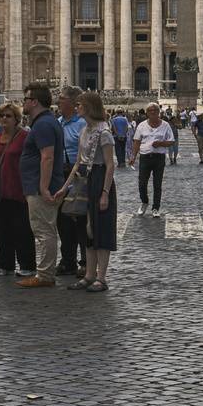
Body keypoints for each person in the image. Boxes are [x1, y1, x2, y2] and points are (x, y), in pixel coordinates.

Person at [70, 92, 121, 292]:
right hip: (84, 180)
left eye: (79, 105)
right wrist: (65, 189)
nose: (76, 108)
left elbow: (110, 166)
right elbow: (77, 163)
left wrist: (105, 193)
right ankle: (89, 275)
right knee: (87, 231)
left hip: (100, 180)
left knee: (101, 229)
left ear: (89, 107)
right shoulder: (84, 130)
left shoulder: (104, 132)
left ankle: (101, 277)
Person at [19, 85, 68, 287]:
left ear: (35, 101)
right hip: (39, 184)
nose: (23, 102)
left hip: (40, 187)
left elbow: (47, 158)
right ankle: (46, 273)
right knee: (45, 228)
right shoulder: (46, 122)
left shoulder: (44, 124)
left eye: (25, 98)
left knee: (44, 230)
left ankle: (45, 275)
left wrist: (44, 187)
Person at [0, 103, 35, 277]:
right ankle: (4, 264)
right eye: (2, 116)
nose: (4, 118)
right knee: (0, 229)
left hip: (19, 188)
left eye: (8, 116)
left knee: (22, 230)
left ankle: (27, 265)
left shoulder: (25, 137)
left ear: (16, 119)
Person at [55, 87, 88, 276]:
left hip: (78, 174)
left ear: (74, 103)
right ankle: (68, 261)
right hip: (60, 173)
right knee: (63, 220)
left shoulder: (83, 124)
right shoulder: (57, 123)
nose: (58, 102)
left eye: (61, 98)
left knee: (81, 218)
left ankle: (85, 262)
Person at [131, 102, 173, 215]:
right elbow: (137, 141)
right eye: (150, 110)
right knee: (142, 183)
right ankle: (144, 202)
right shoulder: (142, 126)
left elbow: (171, 141)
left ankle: (156, 208)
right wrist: (133, 156)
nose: (153, 112)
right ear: (147, 113)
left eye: (155, 110)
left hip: (159, 157)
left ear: (159, 112)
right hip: (145, 157)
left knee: (157, 184)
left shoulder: (165, 125)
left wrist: (161, 143)